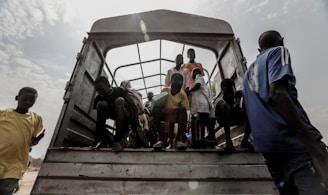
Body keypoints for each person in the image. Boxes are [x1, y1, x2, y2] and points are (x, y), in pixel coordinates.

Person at [243, 30, 328, 194]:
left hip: (269, 149)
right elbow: (277, 94)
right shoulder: (278, 52)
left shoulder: (248, 74)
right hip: (294, 143)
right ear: (281, 42)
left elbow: (247, 108)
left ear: (259, 50)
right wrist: (315, 150)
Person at [0, 87, 45, 195]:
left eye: (31, 101)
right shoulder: (3, 114)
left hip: (16, 164)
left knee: (4, 191)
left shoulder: (36, 119)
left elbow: (30, 142)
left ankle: (14, 183)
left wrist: (36, 140)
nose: (28, 102)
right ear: (17, 98)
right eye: (25, 99)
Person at [93, 76, 146, 151]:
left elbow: (133, 107)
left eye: (102, 89)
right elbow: (99, 121)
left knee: (119, 101)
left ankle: (117, 140)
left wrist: (136, 126)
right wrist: (97, 138)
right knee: (101, 104)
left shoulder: (119, 91)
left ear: (108, 86)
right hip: (114, 116)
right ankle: (103, 140)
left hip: (126, 116)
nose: (100, 93)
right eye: (98, 91)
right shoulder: (99, 98)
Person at [213, 79, 253, 152]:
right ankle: (229, 142)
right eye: (226, 92)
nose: (229, 95)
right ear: (222, 91)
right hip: (222, 119)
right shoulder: (219, 100)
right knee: (226, 107)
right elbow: (221, 105)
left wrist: (244, 102)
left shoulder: (239, 94)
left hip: (234, 116)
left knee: (251, 110)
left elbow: (246, 91)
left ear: (234, 89)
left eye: (231, 92)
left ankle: (245, 140)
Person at [152, 73, 189, 150]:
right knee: (156, 109)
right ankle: (162, 140)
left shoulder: (183, 94)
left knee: (183, 110)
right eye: (175, 85)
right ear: (171, 82)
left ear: (182, 85)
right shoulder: (165, 90)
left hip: (175, 114)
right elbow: (159, 102)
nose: (176, 88)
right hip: (165, 113)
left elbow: (185, 110)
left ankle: (178, 140)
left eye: (179, 85)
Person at [189, 68, 216, 148]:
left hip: (203, 105)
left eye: (192, 73)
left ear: (195, 73)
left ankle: (210, 138)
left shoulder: (199, 77)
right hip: (202, 106)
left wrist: (190, 90)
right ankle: (203, 139)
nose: (192, 75)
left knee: (205, 122)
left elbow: (198, 85)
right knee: (203, 122)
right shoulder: (200, 78)